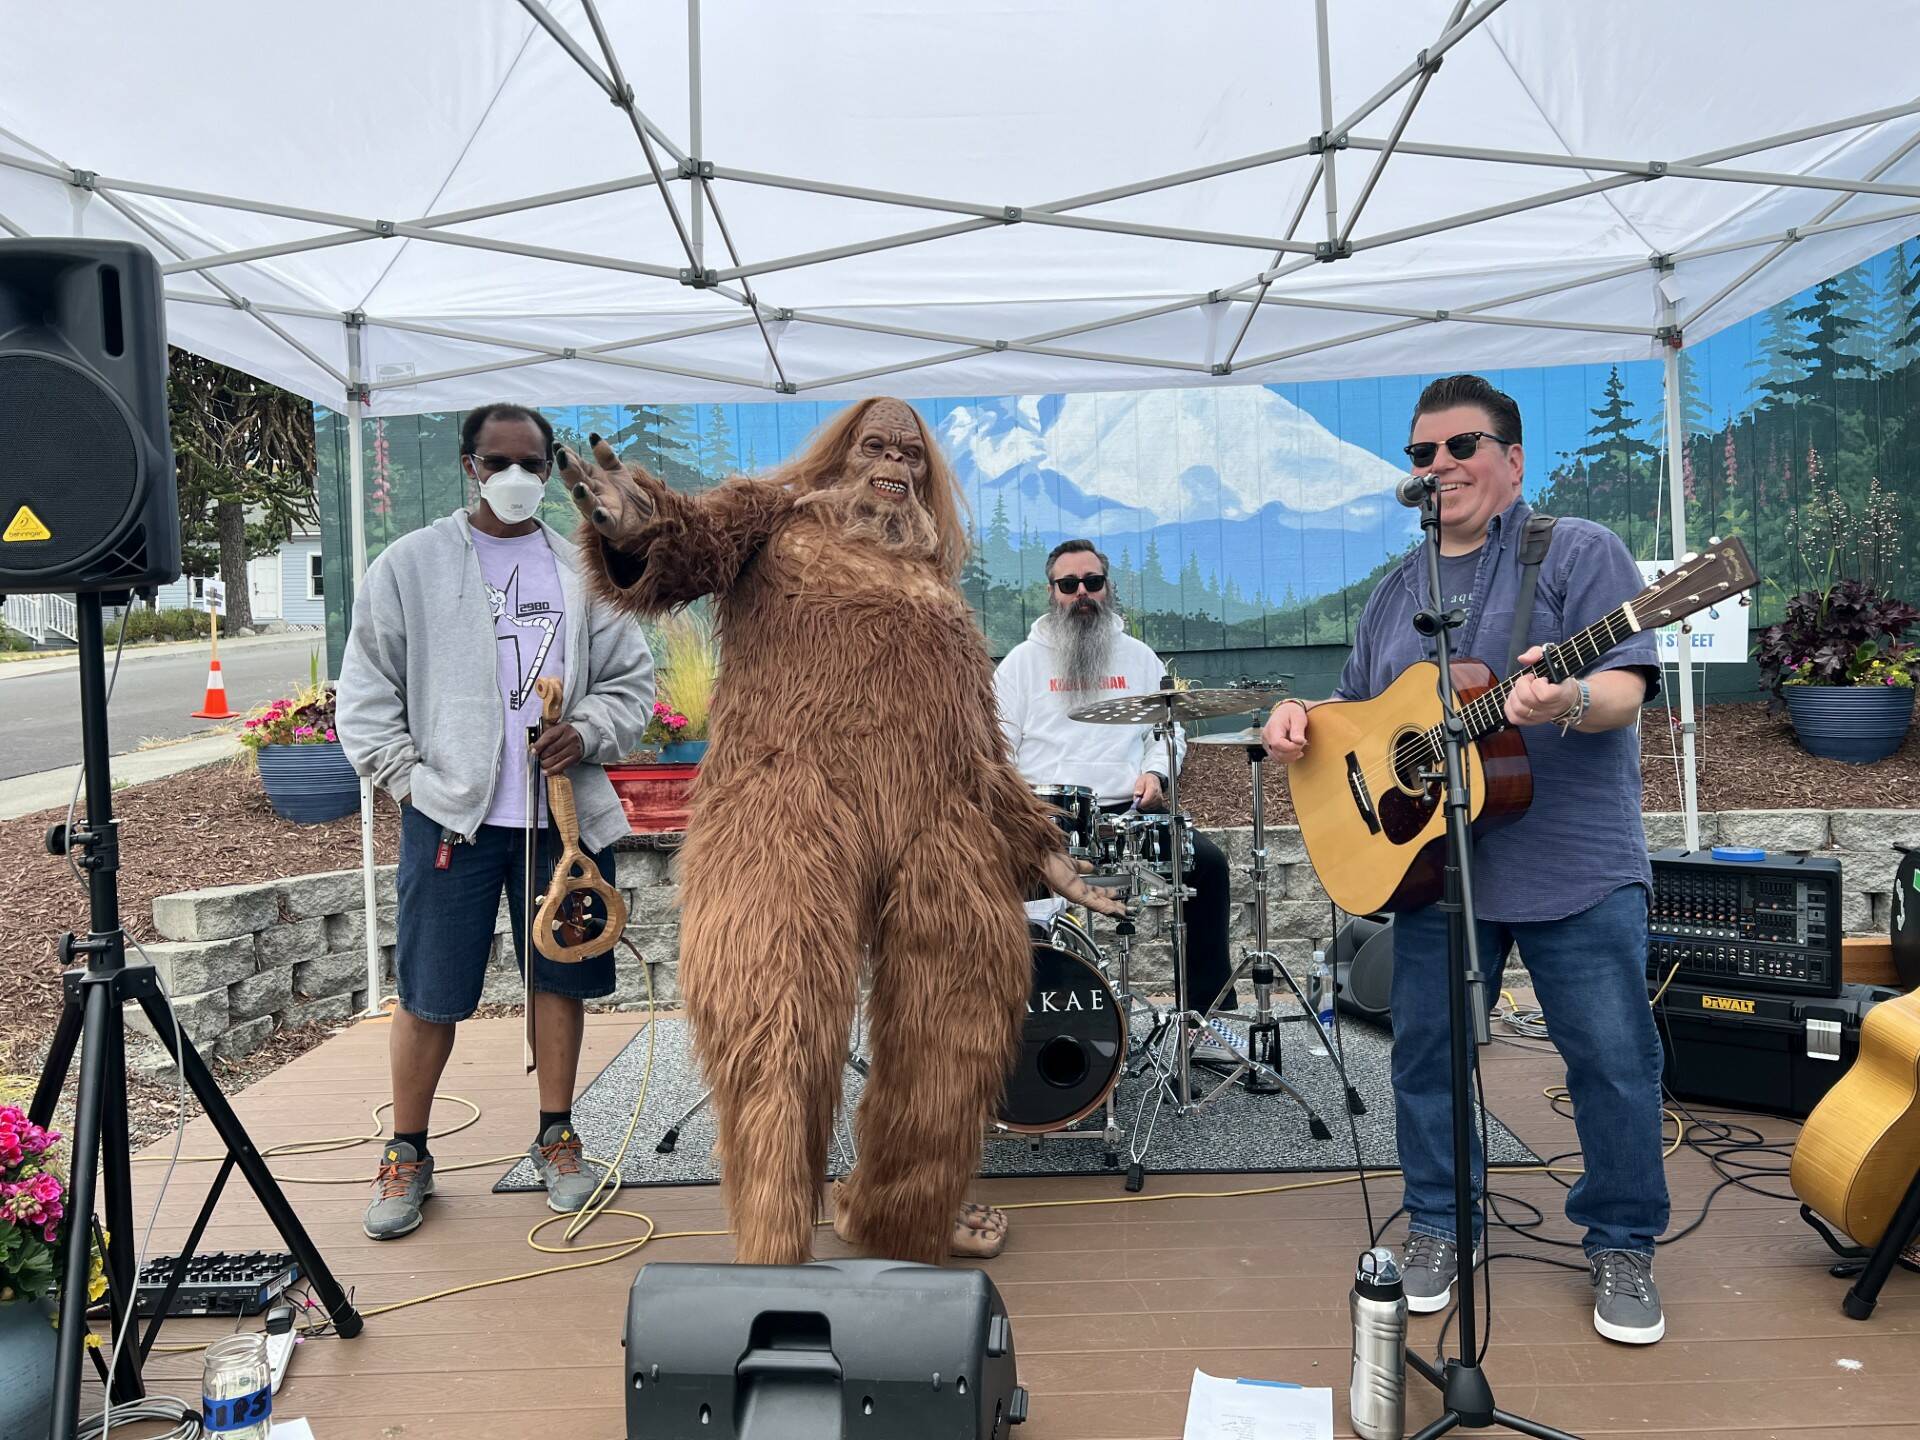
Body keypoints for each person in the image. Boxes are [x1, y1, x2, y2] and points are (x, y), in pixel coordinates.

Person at [559, 397, 1125, 1268]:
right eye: (875, 443)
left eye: (910, 451)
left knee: (965, 1004)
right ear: (839, 455)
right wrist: (640, 528)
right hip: (787, 801)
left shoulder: (936, 590)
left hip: (930, 820)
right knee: (775, 1028)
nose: (893, 460)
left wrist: (1036, 843)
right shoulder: (774, 518)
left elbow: (973, 747)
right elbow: (688, 544)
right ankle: (776, 1246)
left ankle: (901, 1212)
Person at [1261, 374, 1669, 1345]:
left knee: (1611, 1059)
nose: (1439, 466)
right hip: (1439, 872)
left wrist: (1565, 701)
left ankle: (1622, 1240)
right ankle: (1441, 1223)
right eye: (1421, 454)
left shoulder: (1574, 553)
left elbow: (1624, 686)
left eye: (1461, 446)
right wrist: (1297, 721)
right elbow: (1355, 715)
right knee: (1429, 1059)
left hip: (1577, 862)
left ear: (1513, 459)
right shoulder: (1399, 589)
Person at [338, 402, 655, 1241]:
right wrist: (411, 783)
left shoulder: (586, 572)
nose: (516, 478)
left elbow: (633, 684)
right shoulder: (409, 566)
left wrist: (585, 731)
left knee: (561, 978)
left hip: (564, 823)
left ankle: (558, 1136)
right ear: (468, 466)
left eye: (532, 463)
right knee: (430, 992)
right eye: (497, 461)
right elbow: (366, 696)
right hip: (451, 821)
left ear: (551, 471)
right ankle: (407, 1151)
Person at [994, 539, 1242, 1059]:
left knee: (1209, 865)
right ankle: (1014, 1029)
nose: (1082, 594)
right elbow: (994, 751)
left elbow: (1167, 732)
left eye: (1092, 582)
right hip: (1046, 819)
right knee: (995, 879)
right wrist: (1022, 811)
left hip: (1125, 816)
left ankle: (1202, 1021)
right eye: (1069, 585)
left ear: (1108, 588)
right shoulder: (1019, 665)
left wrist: (1156, 774)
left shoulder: (1139, 656)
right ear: (1052, 593)